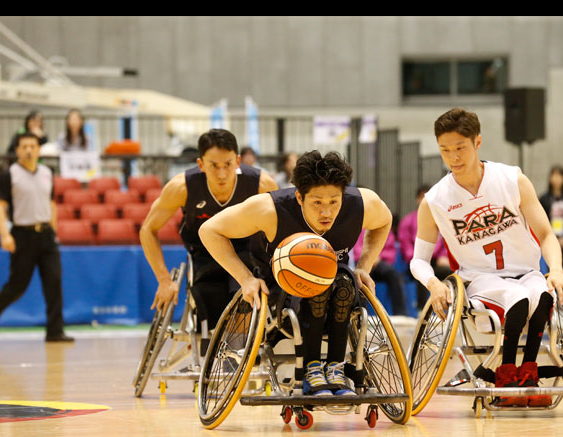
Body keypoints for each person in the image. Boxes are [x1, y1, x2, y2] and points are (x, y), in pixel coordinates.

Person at [410, 108, 563, 407]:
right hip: (479, 279)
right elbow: (418, 261)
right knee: (516, 296)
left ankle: (527, 373)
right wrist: (433, 284)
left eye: (460, 148)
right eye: (444, 150)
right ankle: (505, 373)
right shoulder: (434, 200)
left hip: (526, 271)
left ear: (477, 143)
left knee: (541, 294)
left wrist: (556, 270)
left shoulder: (512, 180)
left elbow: (547, 234)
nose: (453, 158)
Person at [198, 150, 393, 397]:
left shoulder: (363, 203)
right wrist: (245, 279)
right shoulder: (269, 209)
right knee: (319, 288)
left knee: (343, 282)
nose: (327, 212)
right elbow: (209, 230)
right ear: (300, 197)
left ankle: (335, 369)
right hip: (280, 285)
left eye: (334, 201)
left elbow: (384, 221)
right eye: (317, 203)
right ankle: (311, 371)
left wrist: (364, 265)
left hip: (336, 280)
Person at [140, 129, 278, 345]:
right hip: (203, 254)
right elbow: (148, 229)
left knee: (247, 296)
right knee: (208, 296)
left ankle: (237, 353)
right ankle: (215, 350)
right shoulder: (181, 187)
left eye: (228, 164)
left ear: (238, 161)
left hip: (246, 251)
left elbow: (278, 229)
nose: (222, 173)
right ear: (201, 163)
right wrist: (164, 280)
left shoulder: (262, 184)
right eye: (214, 166)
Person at [0, 132, 72, 342]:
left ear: (38, 149)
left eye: (32, 146)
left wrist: (53, 229)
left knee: (54, 281)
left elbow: (51, 203)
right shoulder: (10, 174)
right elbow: (0, 206)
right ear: (17, 150)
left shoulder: (47, 172)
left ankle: (55, 331)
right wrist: (4, 234)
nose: (28, 150)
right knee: (17, 285)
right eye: (24, 146)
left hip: (46, 235)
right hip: (22, 235)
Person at [398, 185, 452, 311]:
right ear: (418, 199)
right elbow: (405, 244)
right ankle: (421, 310)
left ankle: (452, 309)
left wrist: (443, 256)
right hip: (415, 260)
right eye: (422, 196)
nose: (425, 199)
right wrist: (417, 258)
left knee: (453, 274)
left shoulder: (441, 219)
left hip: (437, 261)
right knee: (421, 272)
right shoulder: (407, 221)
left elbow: (447, 241)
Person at [352, 227, 410, 321]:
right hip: (361, 263)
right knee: (358, 279)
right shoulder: (359, 227)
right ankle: (360, 315)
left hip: (380, 262)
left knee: (394, 275)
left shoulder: (385, 227)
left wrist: (377, 257)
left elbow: (391, 252)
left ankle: (400, 313)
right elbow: (356, 248)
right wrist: (367, 258)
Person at [538, 165, 563, 279]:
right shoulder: (544, 199)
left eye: (559, 175)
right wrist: (551, 237)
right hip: (549, 239)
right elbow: (541, 219)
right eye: (554, 175)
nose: (556, 179)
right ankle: (553, 295)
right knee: (550, 270)